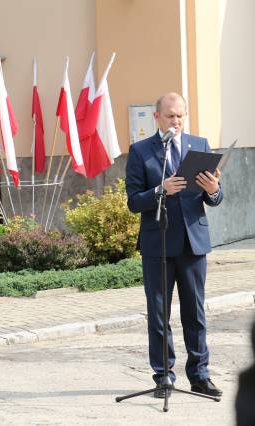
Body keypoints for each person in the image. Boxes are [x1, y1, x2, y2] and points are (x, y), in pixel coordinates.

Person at [125, 92, 223, 399]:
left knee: (195, 313)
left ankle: (199, 375)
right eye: (170, 116)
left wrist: (214, 189)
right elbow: (132, 202)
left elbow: (215, 199)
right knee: (158, 314)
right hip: (158, 244)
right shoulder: (141, 151)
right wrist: (160, 190)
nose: (176, 121)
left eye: (180, 115)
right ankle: (164, 375)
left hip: (193, 243)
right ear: (157, 118)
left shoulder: (200, 145)